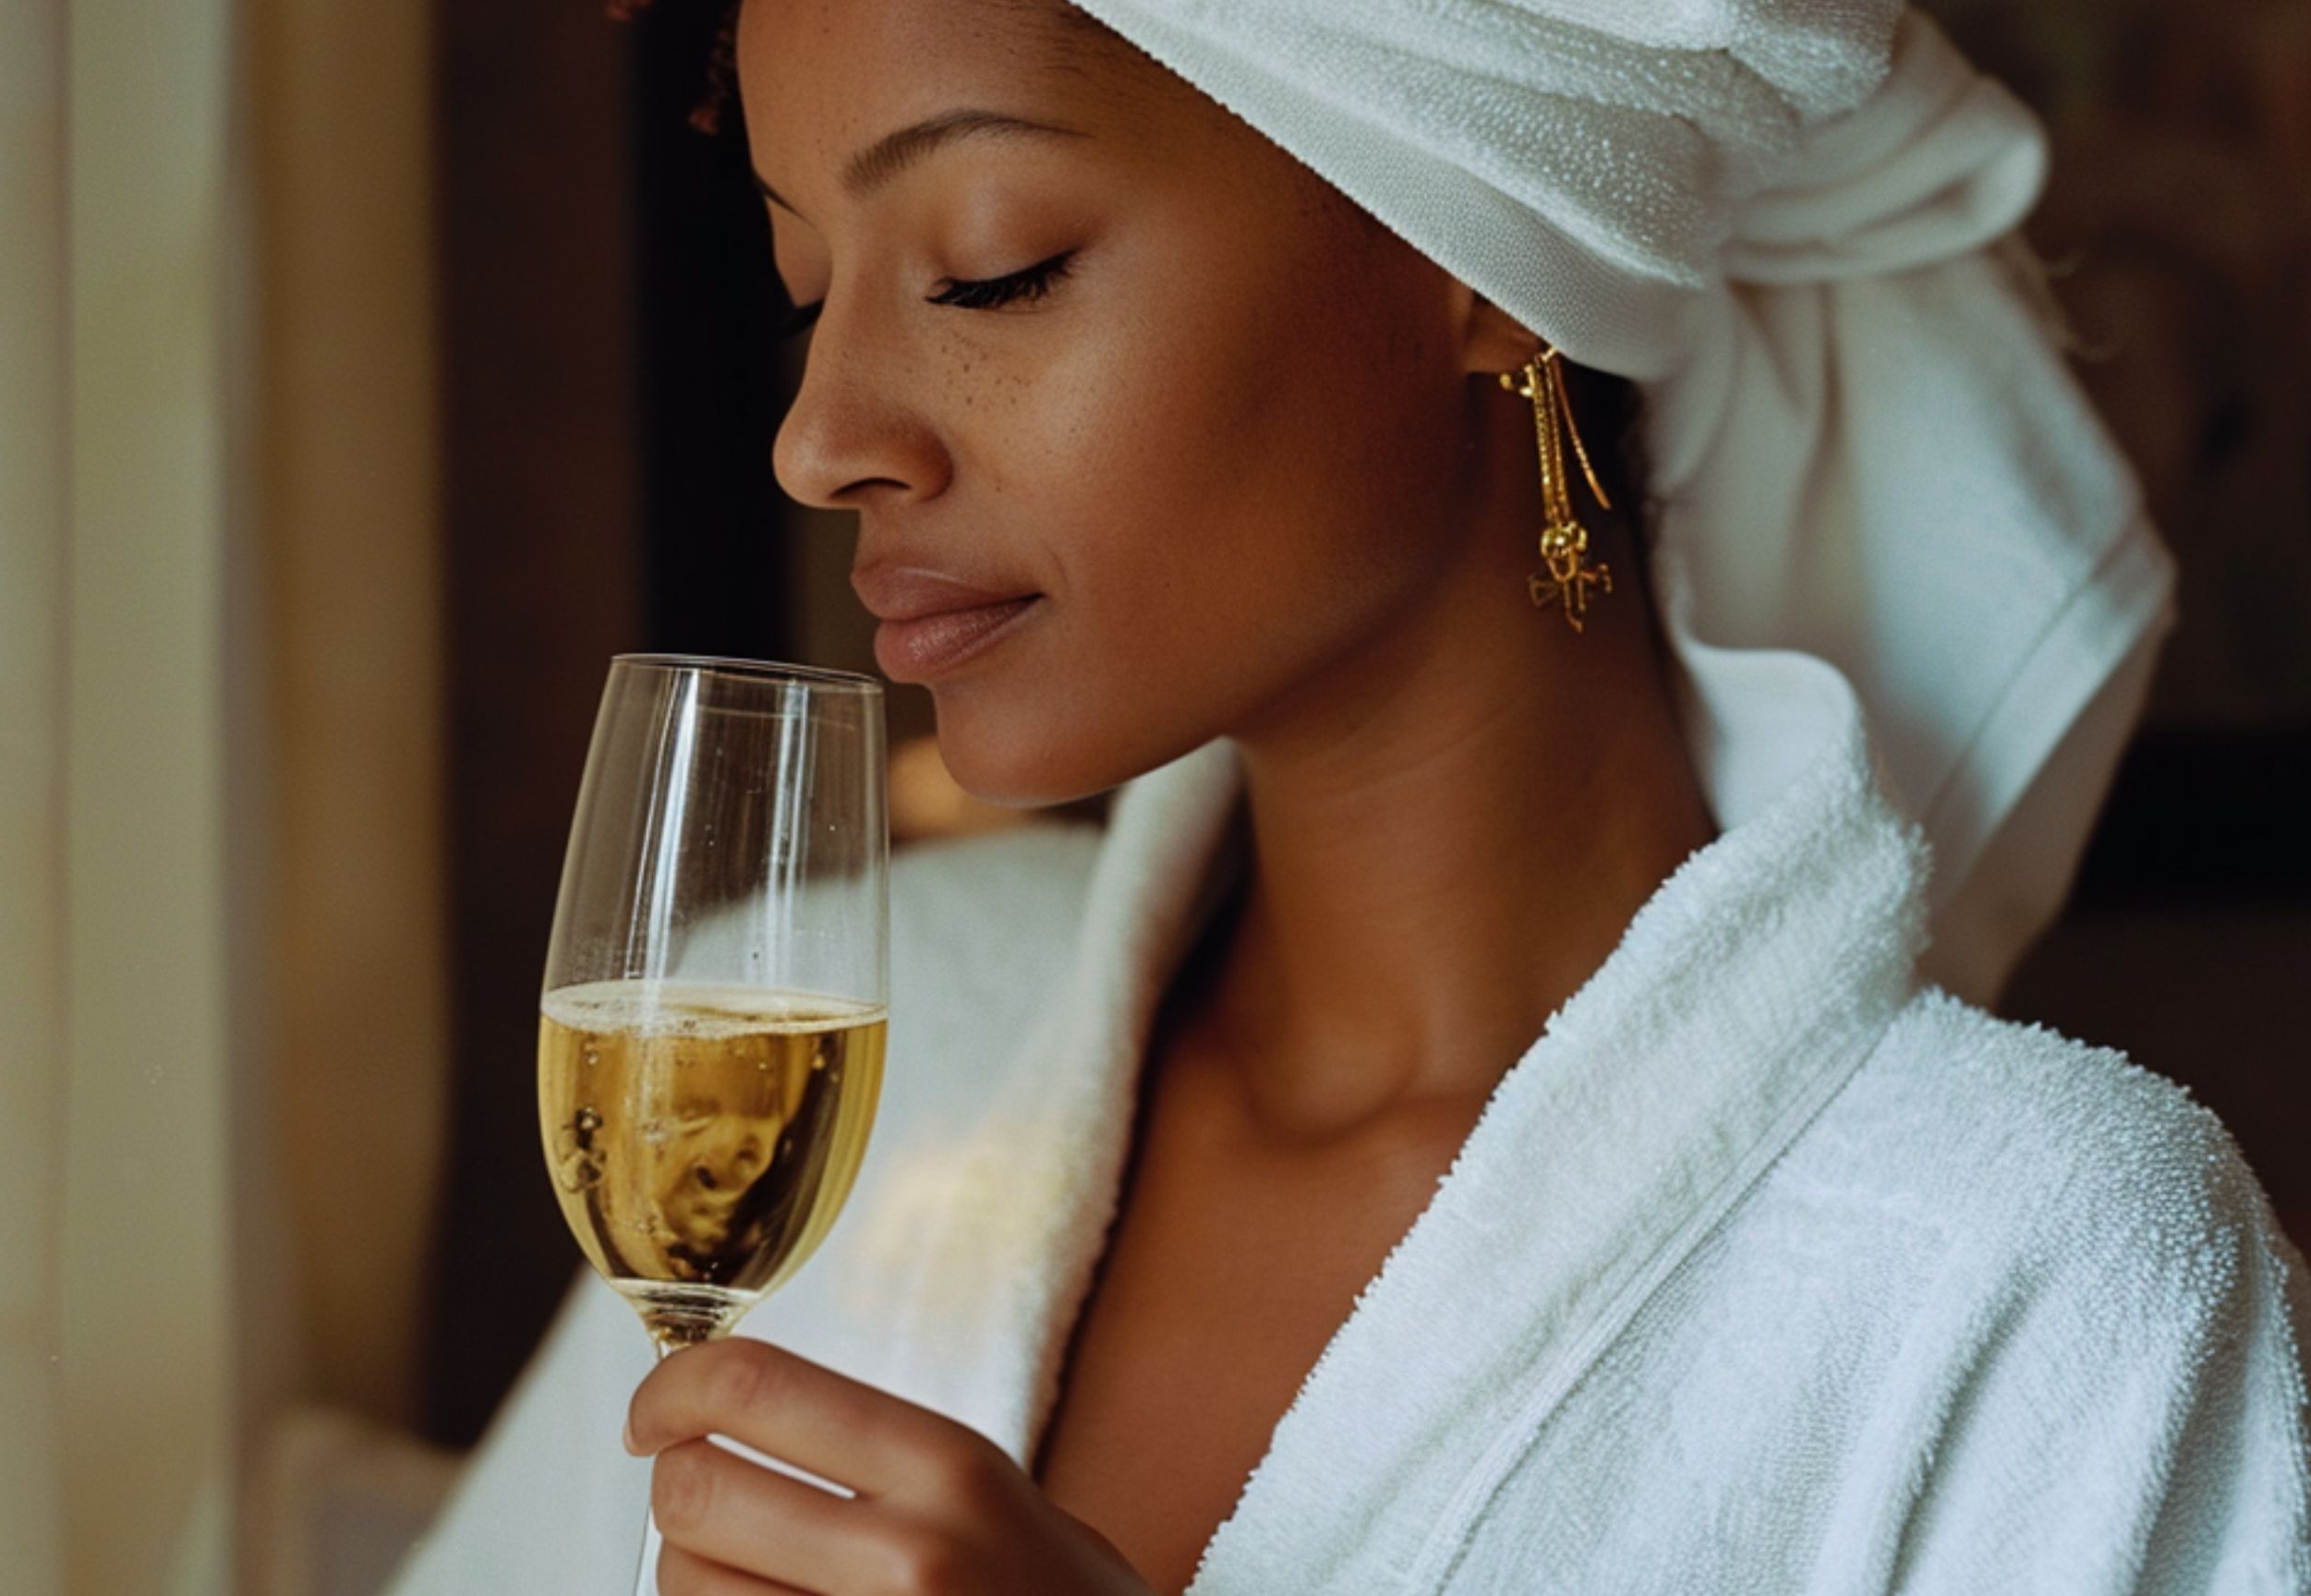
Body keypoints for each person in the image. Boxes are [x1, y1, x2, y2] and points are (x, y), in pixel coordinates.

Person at [388, 0, 2311, 1591]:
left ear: (1478, 261)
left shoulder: (2028, 1272)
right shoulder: (853, 1039)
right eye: (810, 282)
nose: (821, 437)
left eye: (990, 267)